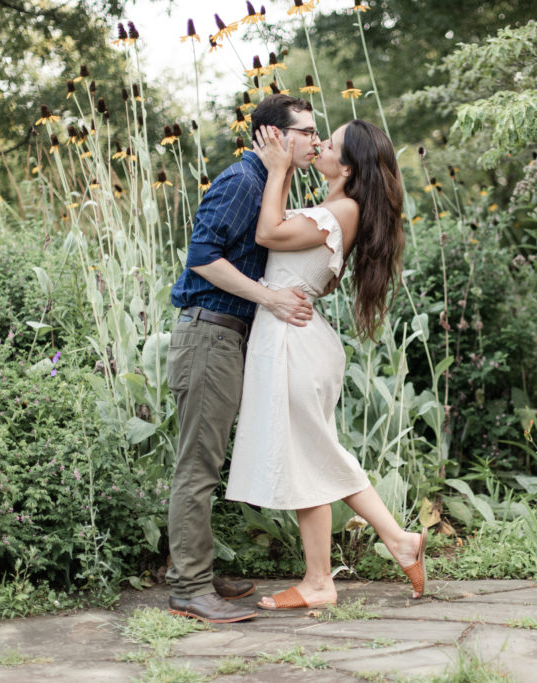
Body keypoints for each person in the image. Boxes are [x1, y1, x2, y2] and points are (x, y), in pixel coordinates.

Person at [224, 120, 427, 610]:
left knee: (315, 455)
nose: (319, 145)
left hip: (294, 344)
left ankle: (370, 554)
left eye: (329, 144)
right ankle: (335, 572)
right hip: (294, 338)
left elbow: (268, 232)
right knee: (308, 457)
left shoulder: (340, 211)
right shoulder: (339, 211)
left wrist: (276, 169)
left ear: (349, 166)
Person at [165, 95, 321, 623]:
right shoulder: (242, 182)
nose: (315, 141)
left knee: (206, 461)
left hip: (224, 340)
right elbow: (202, 258)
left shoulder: (266, 182)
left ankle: (195, 573)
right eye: (306, 131)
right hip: (208, 335)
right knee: (198, 465)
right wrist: (271, 297)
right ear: (275, 135)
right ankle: (190, 587)